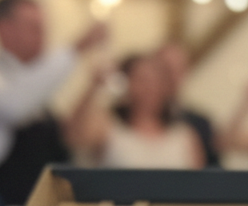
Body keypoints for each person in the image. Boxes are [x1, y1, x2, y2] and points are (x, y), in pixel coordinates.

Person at [0, 0, 107, 205]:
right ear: (4, 29)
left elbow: (67, 136)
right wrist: (77, 47)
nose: (42, 36)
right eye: (34, 28)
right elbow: (14, 105)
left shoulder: (36, 86)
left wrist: (93, 87)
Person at [64, 53, 205, 169]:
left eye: (156, 81)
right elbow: (73, 136)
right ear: (126, 84)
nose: (149, 88)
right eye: (142, 79)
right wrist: (93, 86)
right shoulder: (108, 128)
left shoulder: (185, 136)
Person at [157, 41, 219, 166]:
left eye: (179, 69)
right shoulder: (124, 120)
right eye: (166, 70)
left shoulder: (200, 124)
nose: (172, 77)